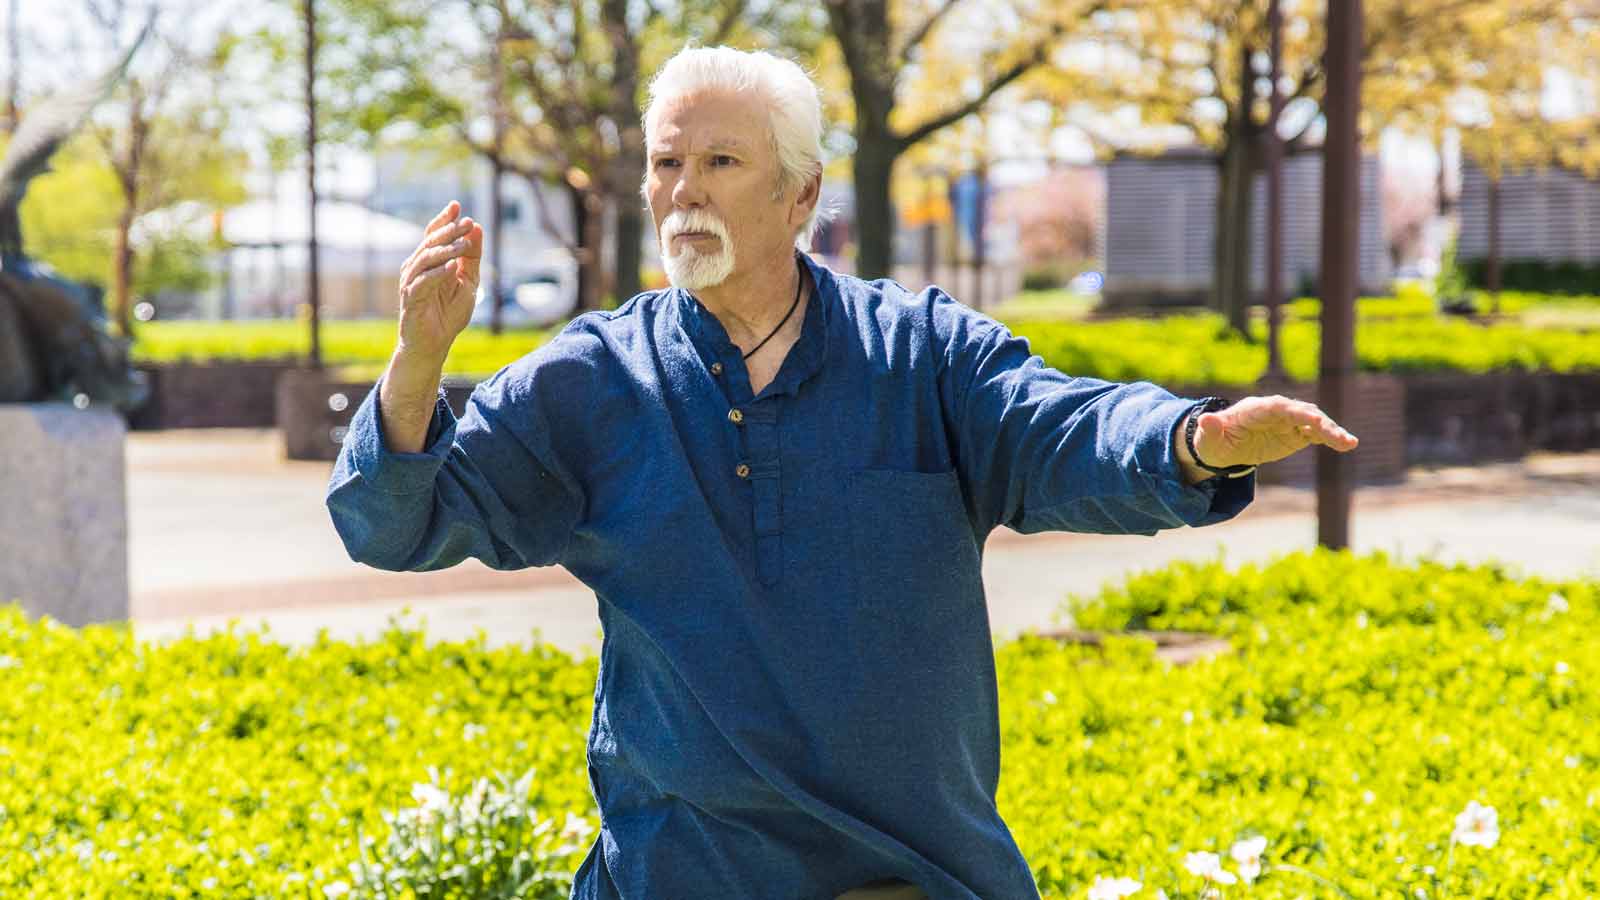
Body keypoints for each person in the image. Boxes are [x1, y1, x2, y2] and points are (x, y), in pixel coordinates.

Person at [326, 45, 1358, 900]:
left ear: (802, 194)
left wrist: (1190, 440)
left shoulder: (919, 353)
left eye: (721, 162)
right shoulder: (595, 379)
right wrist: (419, 359)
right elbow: (391, 522)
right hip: (683, 871)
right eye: (666, 162)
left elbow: (1055, 425)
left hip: (910, 871)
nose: (684, 190)